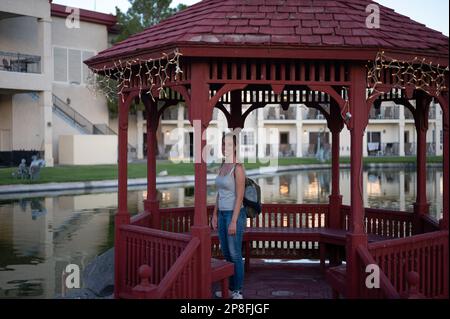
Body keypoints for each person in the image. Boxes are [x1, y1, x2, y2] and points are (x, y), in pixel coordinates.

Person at [212, 133, 246, 299]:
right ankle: (230, 289)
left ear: (235, 146)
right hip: (222, 214)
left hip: (235, 216)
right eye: (223, 144)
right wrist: (214, 215)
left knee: (235, 254)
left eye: (229, 144)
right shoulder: (222, 166)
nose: (225, 147)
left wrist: (233, 220)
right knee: (226, 253)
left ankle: (237, 290)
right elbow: (219, 194)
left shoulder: (238, 168)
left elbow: (240, 196)